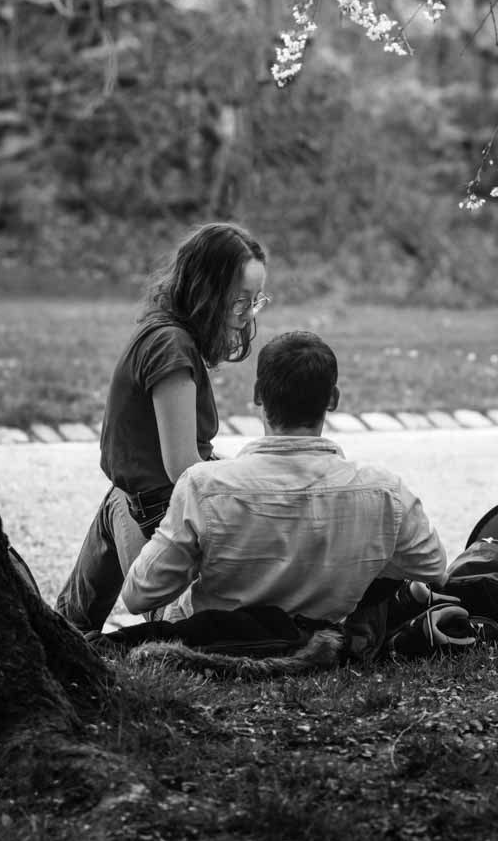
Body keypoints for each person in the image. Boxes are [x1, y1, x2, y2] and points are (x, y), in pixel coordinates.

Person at [119, 330, 447, 624]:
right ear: (333, 399)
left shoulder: (203, 487)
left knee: (120, 499)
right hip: (321, 642)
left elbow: (137, 596)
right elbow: (433, 567)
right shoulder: (384, 491)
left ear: (258, 394)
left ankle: (87, 628)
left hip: (215, 639)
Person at [54, 222, 269, 633]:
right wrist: (245, 482)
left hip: (149, 499)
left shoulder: (169, 338)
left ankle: (68, 626)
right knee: (180, 626)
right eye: (240, 301)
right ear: (207, 291)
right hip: (158, 512)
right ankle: (76, 625)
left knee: (118, 498)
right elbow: (183, 467)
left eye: (255, 301)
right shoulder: (171, 347)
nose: (246, 315)